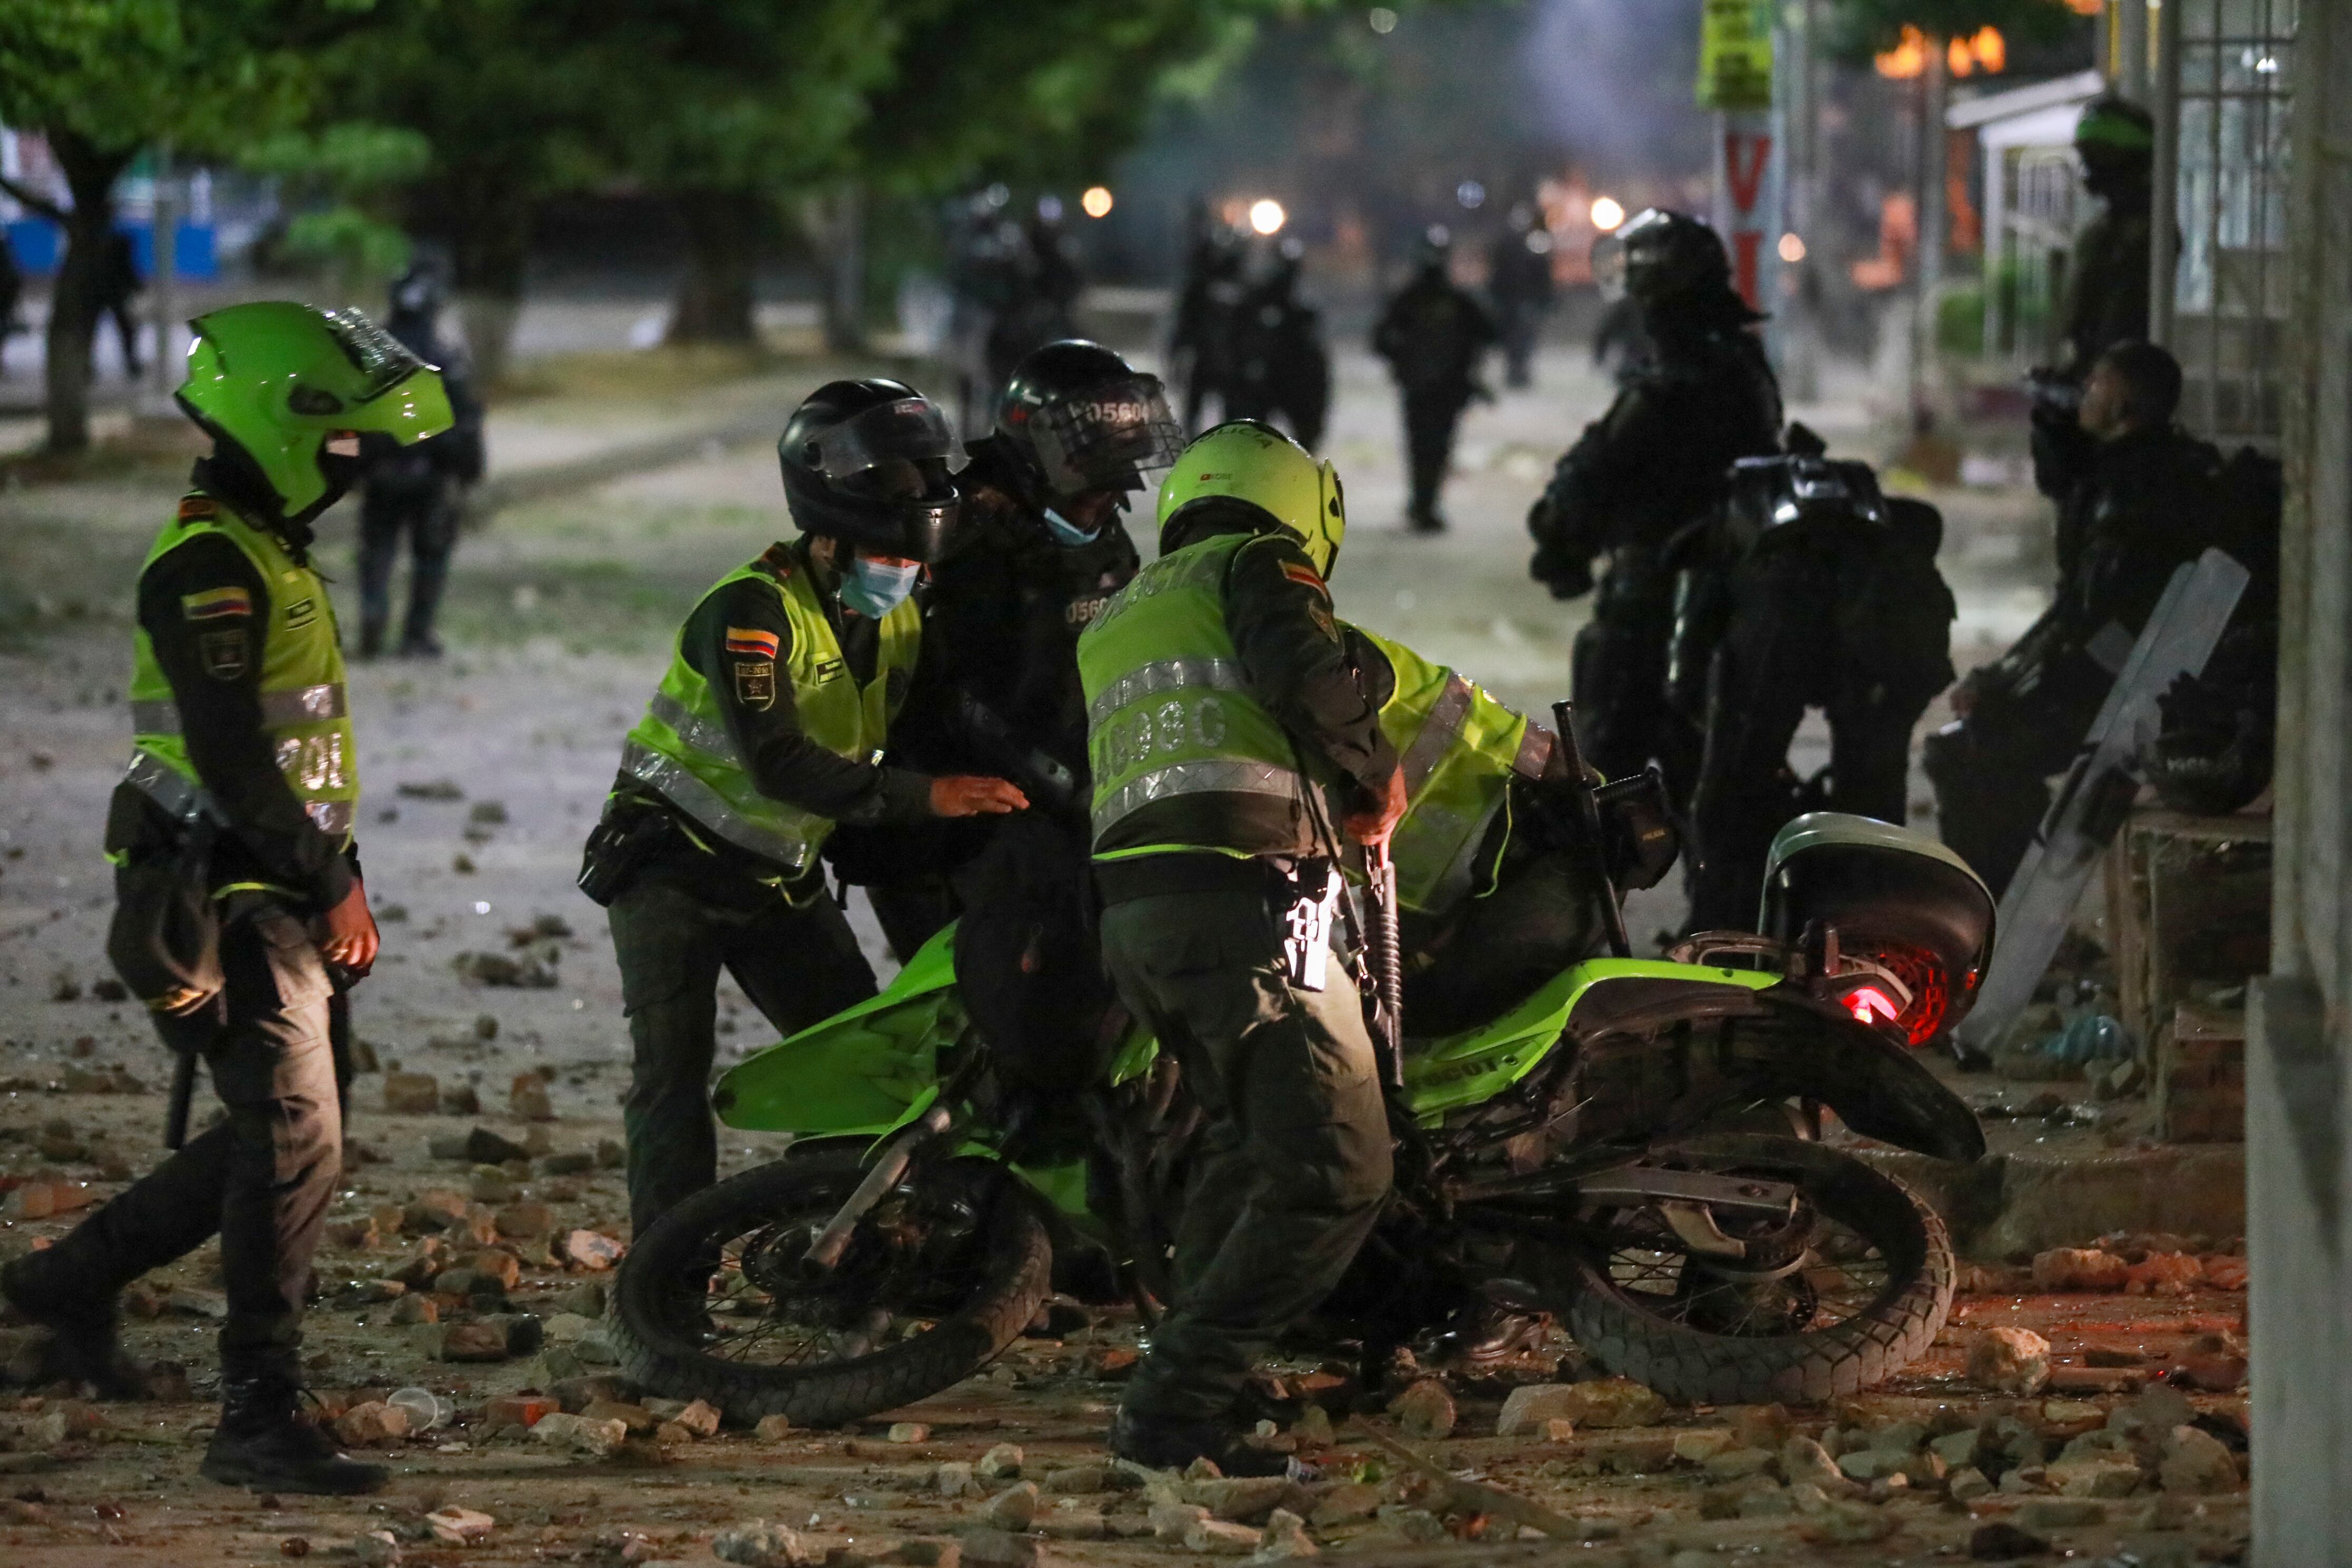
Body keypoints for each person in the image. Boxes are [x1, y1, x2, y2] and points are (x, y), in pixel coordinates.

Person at [0, 302, 451, 1493]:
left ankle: (67, 1283)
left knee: (288, 1132)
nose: (358, 465)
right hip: (223, 894)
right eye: (344, 441)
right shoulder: (211, 564)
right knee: (296, 1133)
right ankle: (255, 1411)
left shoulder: (260, 545)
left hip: (268, 880)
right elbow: (236, 758)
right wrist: (336, 881)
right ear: (285, 428)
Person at [584, 378, 1029, 1236]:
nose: (903, 573)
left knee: (855, 1060)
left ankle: (837, 1240)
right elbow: (781, 761)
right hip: (669, 867)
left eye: (913, 560)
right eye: (888, 555)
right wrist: (928, 798)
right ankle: (667, 1273)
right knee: (673, 1076)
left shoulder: (896, 620)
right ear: (829, 536)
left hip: (776, 879)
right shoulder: (752, 613)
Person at [1079, 419, 1404, 1473]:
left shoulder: (1121, 609)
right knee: (1342, 1172)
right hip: (1252, 902)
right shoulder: (1264, 563)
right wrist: (1370, 767)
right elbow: (1309, 679)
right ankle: (1172, 1412)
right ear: (1304, 510)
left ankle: (1203, 1370)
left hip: (1140, 918)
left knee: (1242, 1142)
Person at [847, 339, 1179, 958]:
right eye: (1091, 489)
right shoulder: (953, 535)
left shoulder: (1100, 531)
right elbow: (936, 695)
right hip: (945, 821)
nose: (1104, 506)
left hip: (1056, 808)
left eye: (1116, 488)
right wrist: (1056, 783)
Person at [1926, 341, 2223, 898]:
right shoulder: (2145, 468)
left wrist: (2004, 688)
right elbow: (2076, 600)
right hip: (2125, 675)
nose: (2083, 394)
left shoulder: (2134, 492)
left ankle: (1986, 908)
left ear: (2124, 405)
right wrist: (2003, 677)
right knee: (1976, 738)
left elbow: (2091, 624)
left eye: (2095, 387)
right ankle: (1992, 902)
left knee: (1967, 750)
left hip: (2131, 690)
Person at [1525, 209, 1782, 806]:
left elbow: (1591, 479)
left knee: (1601, 786)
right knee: (1717, 791)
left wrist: (1560, 541)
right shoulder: (1744, 363)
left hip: (1658, 599)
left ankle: (1598, 893)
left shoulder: (1675, 383)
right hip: (1739, 596)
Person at [1672, 439, 1956, 931]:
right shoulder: (1887, 536)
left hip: (1791, 622)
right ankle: (1869, 933)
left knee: (1732, 796)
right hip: (1881, 626)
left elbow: (1694, 649)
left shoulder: (1732, 528)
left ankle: (1721, 933)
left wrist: (1709, 718)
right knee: (1873, 800)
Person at [356, 263, 485, 658]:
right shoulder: (446, 359)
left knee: (377, 550)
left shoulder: (368, 359)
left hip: (379, 475)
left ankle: (374, 612)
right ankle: (416, 633)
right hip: (430, 477)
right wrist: (468, 474)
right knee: (430, 556)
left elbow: (345, 422)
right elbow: (466, 422)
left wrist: (347, 469)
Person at [1372, 228, 1497, 532]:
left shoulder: (1439, 299)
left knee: (1430, 448)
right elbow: (1381, 340)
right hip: (1432, 388)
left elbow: (1487, 333)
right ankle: (1423, 505)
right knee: (1430, 448)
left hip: (1439, 388)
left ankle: (1424, 505)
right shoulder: (1430, 299)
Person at [1223, 238, 1331, 450]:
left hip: (1292, 380)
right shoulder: (1254, 303)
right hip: (1259, 379)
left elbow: (1313, 357)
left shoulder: (1302, 310)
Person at [1487, 203, 1557, 389]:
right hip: (1515, 300)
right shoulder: (1514, 245)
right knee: (1518, 339)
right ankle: (1517, 372)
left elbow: (1542, 275)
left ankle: (1518, 372)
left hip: (1521, 300)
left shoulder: (1530, 244)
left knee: (1522, 339)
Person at [99, 227, 145, 377]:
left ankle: (85, 367)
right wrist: (137, 286)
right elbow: (130, 274)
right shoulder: (121, 253)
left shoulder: (105, 254)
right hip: (117, 295)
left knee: (126, 329)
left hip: (104, 293)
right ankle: (131, 364)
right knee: (127, 330)